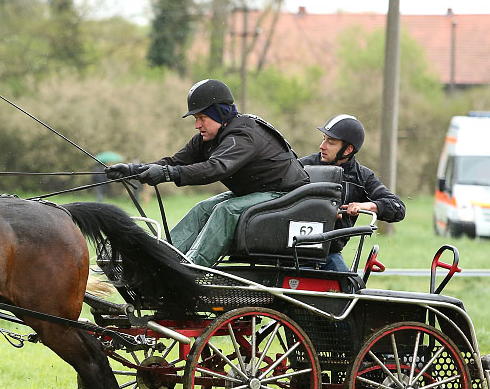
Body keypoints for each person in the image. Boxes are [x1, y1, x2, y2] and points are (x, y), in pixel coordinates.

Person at [105, 79, 309, 267]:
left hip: (288, 196)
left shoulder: (243, 135)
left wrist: (168, 174)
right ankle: (158, 260)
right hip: (258, 193)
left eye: (202, 117)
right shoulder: (208, 138)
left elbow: (216, 168)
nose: (197, 125)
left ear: (220, 113)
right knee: (202, 208)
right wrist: (133, 170)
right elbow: (174, 162)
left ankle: (191, 270)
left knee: (226, 210)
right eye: (196, 118)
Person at [299, 114, 406, 272]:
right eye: (323, 139)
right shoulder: (300, 168)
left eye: (330, 142)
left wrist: (366, 206)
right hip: (293, 253)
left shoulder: (362, 177)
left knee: (351, 290)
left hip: (330, 256)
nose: (322, 146)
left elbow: (398, 208)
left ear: (348, 149)